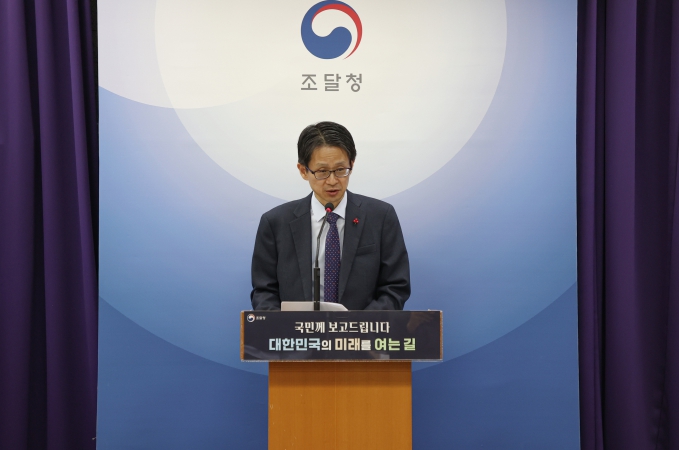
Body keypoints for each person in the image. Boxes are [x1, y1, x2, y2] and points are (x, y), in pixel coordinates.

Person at [250, 121, 410, 310]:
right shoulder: (275, 223)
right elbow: (264, 291)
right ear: (303, 171)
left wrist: (360, 323)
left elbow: (395, 287)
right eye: (322, 171)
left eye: (341, 170)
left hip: (361, 327)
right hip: (297, 328)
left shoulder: (381, 217)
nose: (333, 181)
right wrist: (286, 324)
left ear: (352, 165)